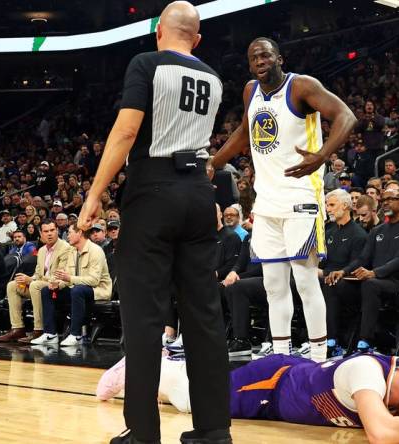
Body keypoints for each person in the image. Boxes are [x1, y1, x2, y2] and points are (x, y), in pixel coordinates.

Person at [77, 3, 231, 442]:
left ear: (158, 31)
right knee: (204, 315)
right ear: (196, 39)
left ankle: (143, 432)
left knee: (145, 317)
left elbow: (126, 132)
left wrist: (93, 195)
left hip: (153, 190)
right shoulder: (214, 78)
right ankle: (214, 430)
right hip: (201, 193)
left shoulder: (147, 63)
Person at [208, 36, 356, 363]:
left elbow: (346, 116)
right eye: (253, 58)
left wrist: (321, 155)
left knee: (304, 281)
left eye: (265, 55)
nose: (260, 61)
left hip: (301, 197)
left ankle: (319, 358)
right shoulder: (251, 91)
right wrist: (213, 163)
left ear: (279, 59)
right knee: (274, 286)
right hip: (266, 202)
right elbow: (245, 133)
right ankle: (280, 357)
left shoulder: (301, 86)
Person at [98, 353, 399, 444]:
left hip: (297, 381)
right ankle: (146, 364)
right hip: (273, 386)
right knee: (192, 403)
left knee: (193, 397)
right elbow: (382, 434)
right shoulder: (368, 373)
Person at [325, 189, 399, 353]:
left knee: (370, 284)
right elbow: (362, 259)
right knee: (333, 282)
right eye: (383, 200)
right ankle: (332, 341)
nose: (386, 203)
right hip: (373, 282)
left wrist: (374, 272)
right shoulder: (377, 231)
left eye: (391, 199)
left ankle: (365, 342)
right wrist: (343, 271)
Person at [38, 223, 113, 346]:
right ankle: (50, 333)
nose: (67, 236)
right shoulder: (72, 251)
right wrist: (57, 284)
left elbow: (94, 281)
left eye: (70, 233)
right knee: (47, 291)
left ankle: (76, 335)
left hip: (97, 290)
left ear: (79, 233)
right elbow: (66, 276)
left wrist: (69, 278)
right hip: (77, 289)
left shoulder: (96, 251)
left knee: (77, 290)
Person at [320, 189, 367, 357]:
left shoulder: (359, 234)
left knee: (330, 284)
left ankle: (331, 341)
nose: (328, 208)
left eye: (332, 205)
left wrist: (326, 273)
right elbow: (322, 260)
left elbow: (357, 263)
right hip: (327, 276)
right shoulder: (329, 231)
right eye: (326, 205)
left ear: (346, 205)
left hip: (350, 282)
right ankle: (312, 337)